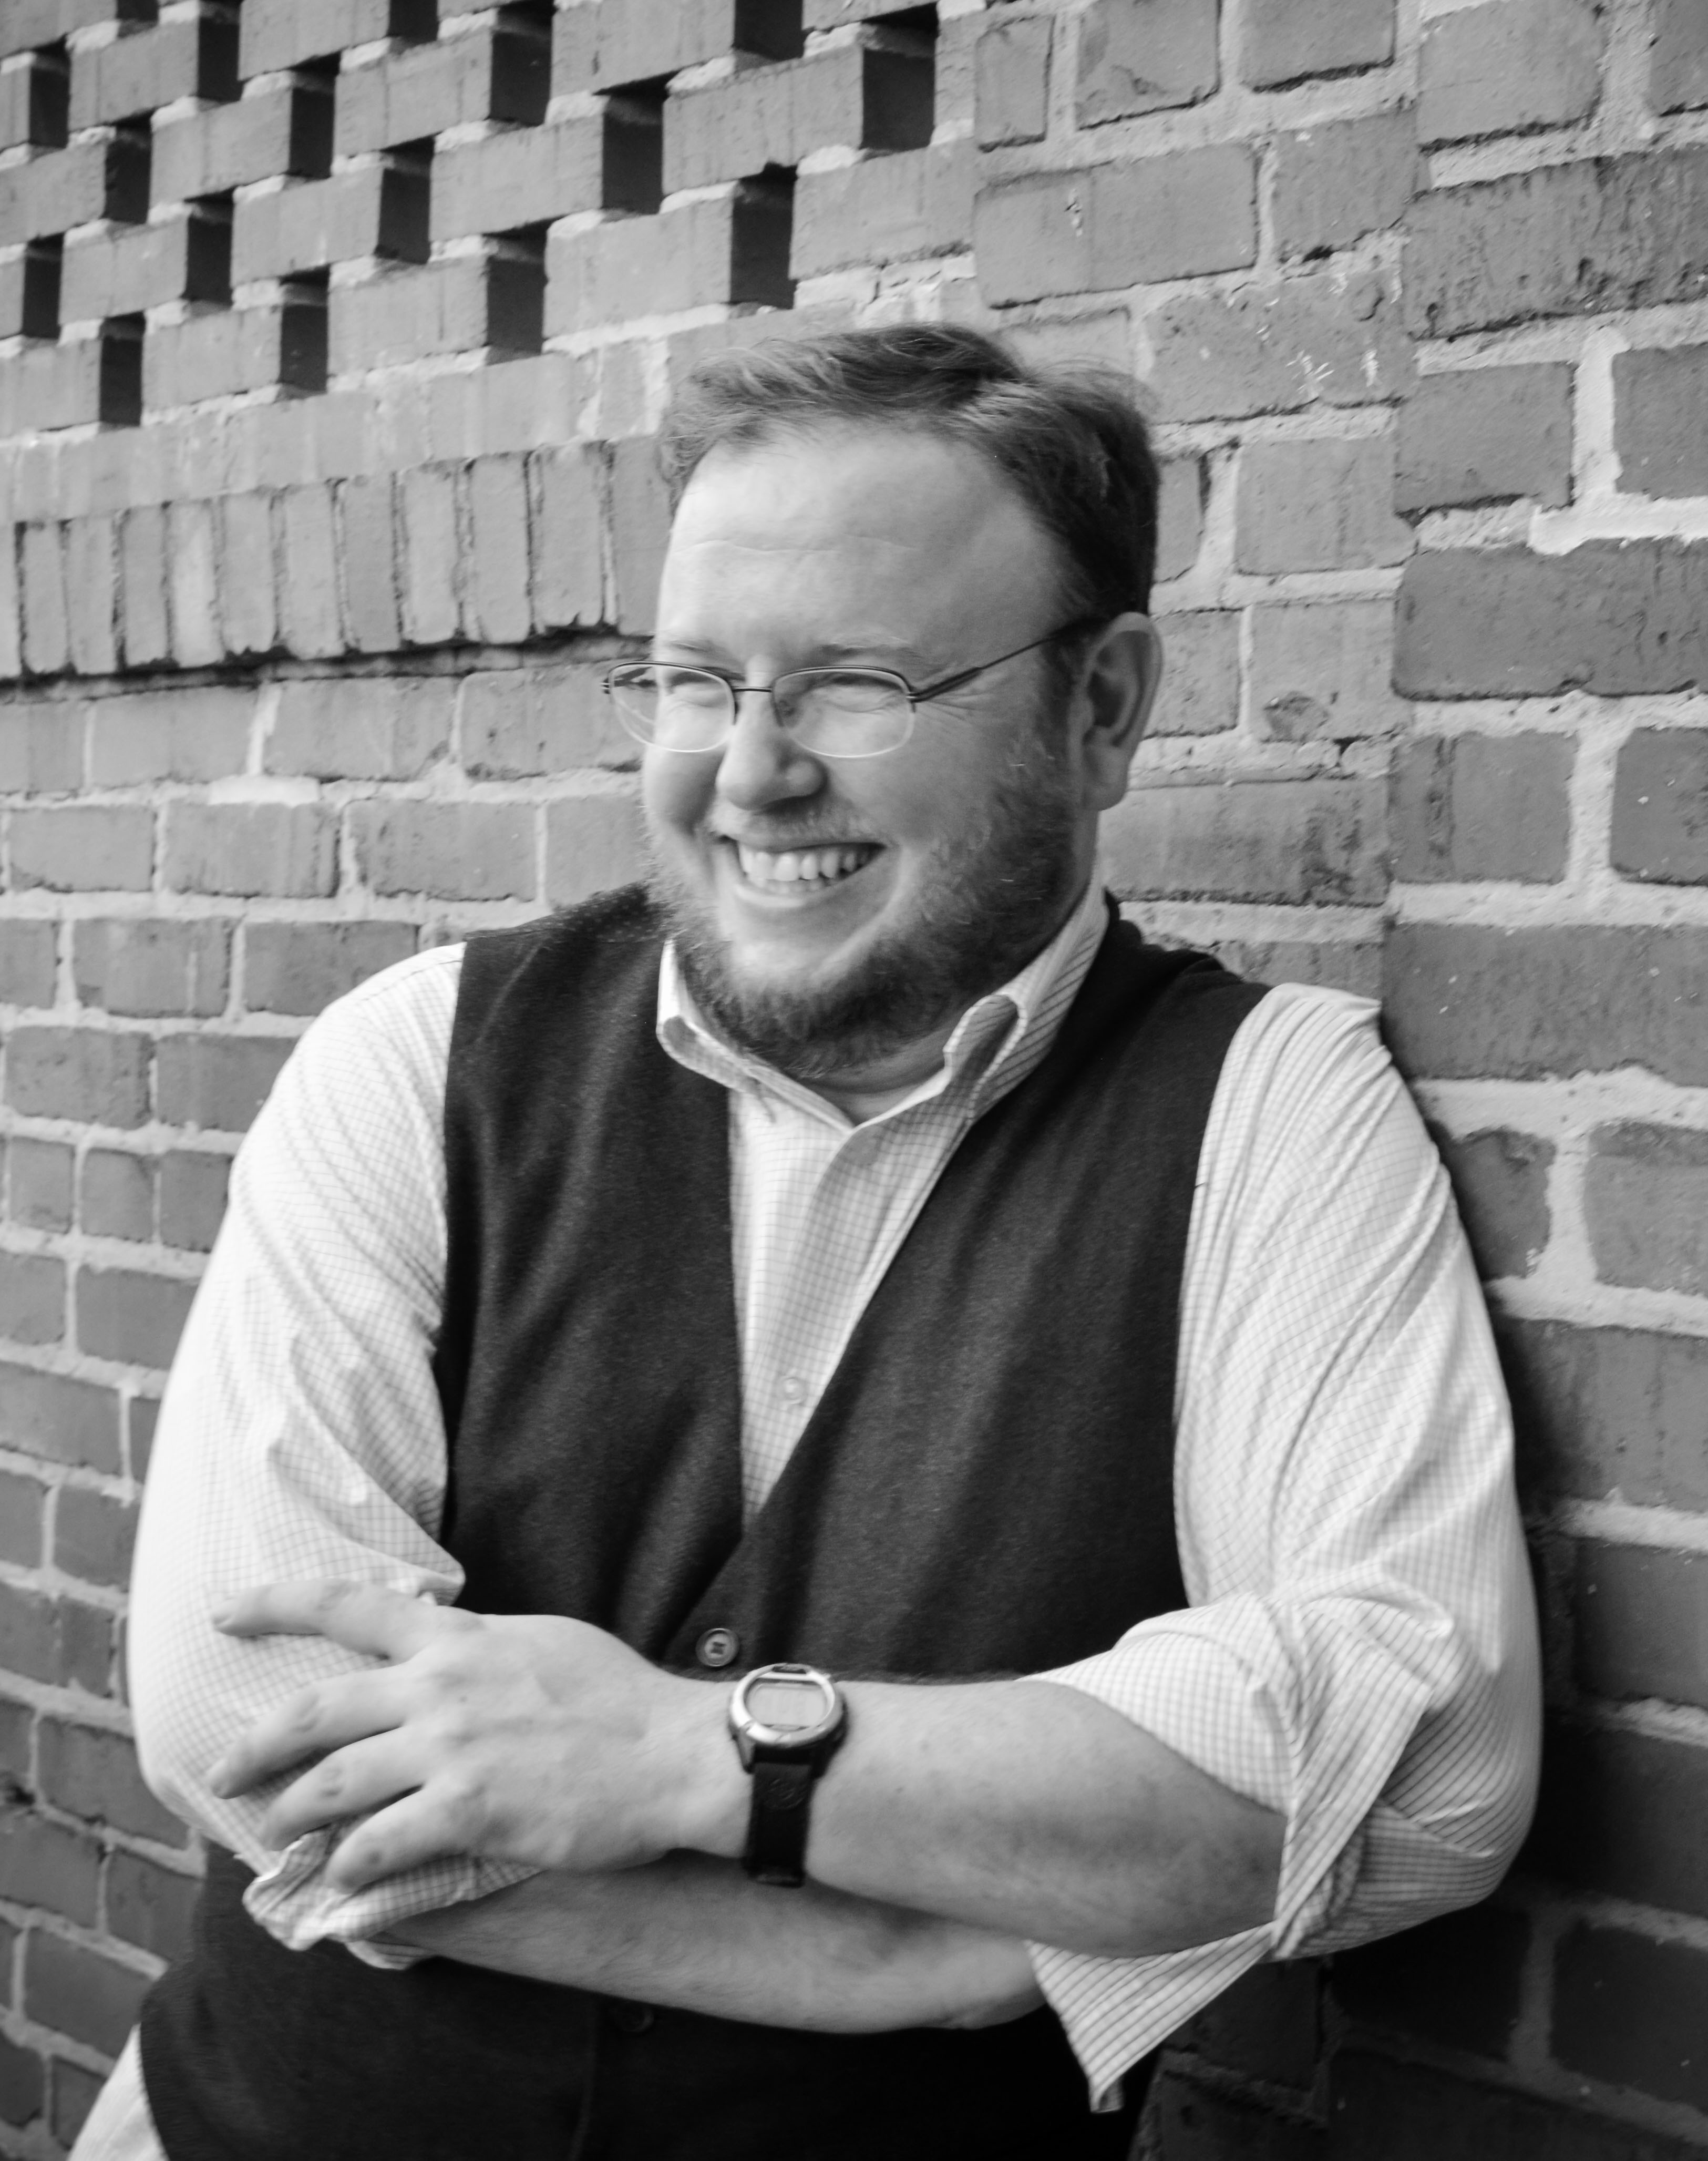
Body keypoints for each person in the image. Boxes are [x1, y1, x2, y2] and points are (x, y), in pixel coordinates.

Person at [78, 324, 1540, 2161]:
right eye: (695, 680)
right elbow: (240, 1714)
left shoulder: (1265, 1105)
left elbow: (1422, 1765)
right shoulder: (419, 1056)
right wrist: (919, 1957)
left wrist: (697, 1755)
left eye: (853, 685)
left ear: (1101, 707)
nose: (749, 771)